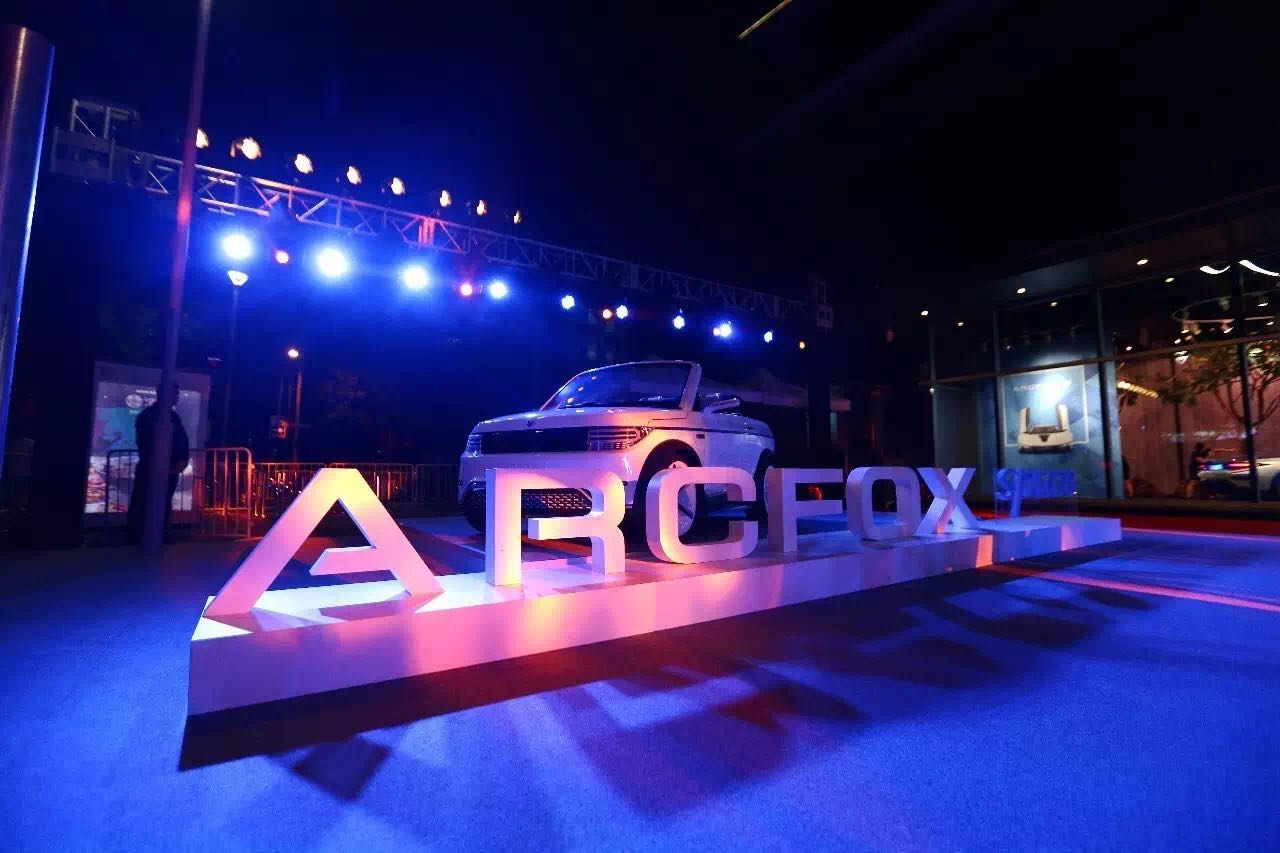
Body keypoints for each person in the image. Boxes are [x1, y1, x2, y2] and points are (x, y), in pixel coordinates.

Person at [125, 384, 191, 545]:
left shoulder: (170, 416)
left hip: (167, 470)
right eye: (175, 394)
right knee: (145, 503)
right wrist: (170, 463)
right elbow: (147, 444)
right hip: (154, 470)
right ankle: (138, 537)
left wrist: (181, 461)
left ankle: (154, 534)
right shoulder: (151, 416)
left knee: (160, 503)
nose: (177, 397)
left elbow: (182, 442)